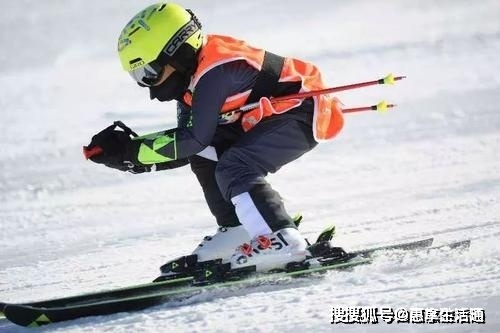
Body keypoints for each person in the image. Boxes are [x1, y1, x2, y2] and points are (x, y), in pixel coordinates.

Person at [84, 2, 344, 273]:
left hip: (304, 111)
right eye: (140, 77)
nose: (150, 87)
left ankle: (282, 240)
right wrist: (126, 154)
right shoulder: (190, 81)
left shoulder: (215, 73)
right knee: (206, 153)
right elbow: (190, 146)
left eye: (150, 72)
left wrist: (130, 151)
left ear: (178, 52)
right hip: (266, 117)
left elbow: (191, 138)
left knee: (235, 165)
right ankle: (238, 228)